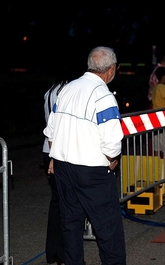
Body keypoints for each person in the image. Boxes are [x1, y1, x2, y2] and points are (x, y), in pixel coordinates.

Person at [43, 46, 126, 265]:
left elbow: (51, 130)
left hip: (63, 167)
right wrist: (112, 160)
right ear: (111, 70)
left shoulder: (67, 89)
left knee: (70, 224)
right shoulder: (103, 95)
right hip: (92, 172)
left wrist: (55, 157)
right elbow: (112, 141)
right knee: (107, 227)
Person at [42, 74, 68, 265]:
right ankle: (62, 252)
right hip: (60, 150)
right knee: (66, 205)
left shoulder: (50, 90)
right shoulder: (66, 90)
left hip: (48, 148)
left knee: (57, 203)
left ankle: (53, 252)